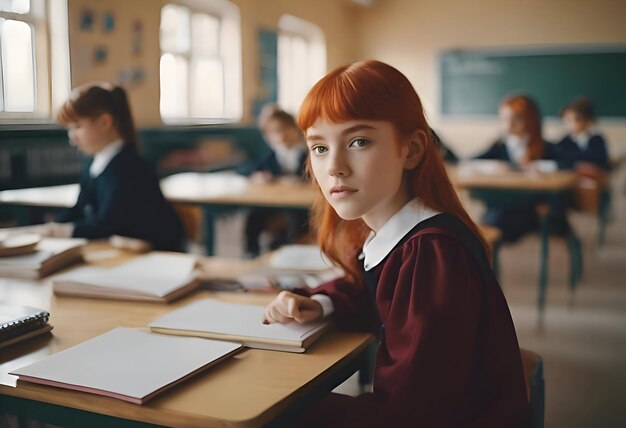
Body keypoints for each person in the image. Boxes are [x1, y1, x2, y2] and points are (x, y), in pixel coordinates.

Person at [262, 60, 528, 427]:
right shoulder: (391, 236)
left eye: (358, 141)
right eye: (319, 148)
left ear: (413, 149)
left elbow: (407, 414)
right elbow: (373, 294)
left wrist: (285, 410)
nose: (335, 166)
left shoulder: (432, 254)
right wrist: (318, 302)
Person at [49, 82, 185, 251]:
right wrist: (51, 227)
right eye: (69, 129)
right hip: (120, 248)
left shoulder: (129, 166)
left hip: (154, 252)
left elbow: (109, 225)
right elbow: (78, 209)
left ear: (104, 122)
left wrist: (63, 231)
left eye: (77, 127)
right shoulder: (93, 163)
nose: (72, 138)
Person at [475, 94, 569, 241]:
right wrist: (494, 165)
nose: (509, 124)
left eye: (516, 119)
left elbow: (567, 165)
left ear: (531, 120)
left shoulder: (546, 147)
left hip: (533, 206)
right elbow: (473, 161)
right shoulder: (500, 146)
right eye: (505, 119)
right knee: (491, 219)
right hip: (506, 205)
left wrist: (540, 166)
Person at [240, 106, 309, 257]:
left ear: (295, 129)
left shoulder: (307, 154)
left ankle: (295, 247)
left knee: (299, 219)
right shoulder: (272, 157)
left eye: (285, 129)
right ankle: (252, 249)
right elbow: (247, 169)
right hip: (275, 202)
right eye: (275, 132)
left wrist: (298, 181)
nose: (281, 135)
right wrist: (256, 176)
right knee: (255, 211)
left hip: (301, 204)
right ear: (268, 137)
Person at [555, 97, 610, 171]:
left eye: (576, 119)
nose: (570, 124)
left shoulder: (596, 140)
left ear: (587, 120)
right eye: (567, 119)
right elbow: (559, 156)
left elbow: (599, 160)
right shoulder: (565, 141)